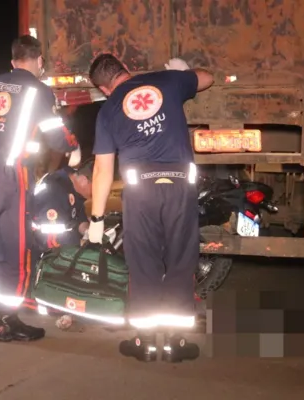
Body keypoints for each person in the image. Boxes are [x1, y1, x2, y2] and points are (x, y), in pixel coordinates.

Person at [86, 54, 214, 362]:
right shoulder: (167, 81)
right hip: (180, 186)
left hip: (140, 191)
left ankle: (144, 342)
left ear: (104, 88)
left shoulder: (107, 111)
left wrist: (97, 218)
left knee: (143, 262)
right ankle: (177, 344)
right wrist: (184, 73)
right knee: (181, 259)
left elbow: (103, 170)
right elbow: (208, 77)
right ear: (126, 70)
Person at [0, 35, 81, 342]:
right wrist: (74, 145)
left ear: (13, 60)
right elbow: (56, 136)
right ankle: (8, 321)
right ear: (38, 60)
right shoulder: (38, 91)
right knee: (15, 248)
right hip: (12, 176)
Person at [32, 159, 94, 254]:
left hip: (66, 247)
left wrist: (88, 231)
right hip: (45, 254)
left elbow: (79, 218)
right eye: (95, 190)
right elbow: (51, 236)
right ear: (84, 180)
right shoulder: (54, 189)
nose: (94, 196)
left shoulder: (73, 188)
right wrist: (80, 243)